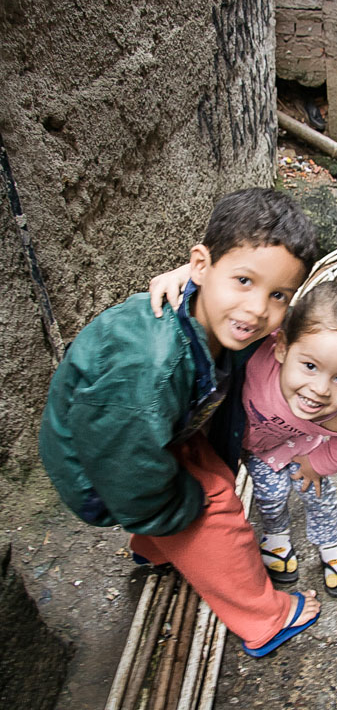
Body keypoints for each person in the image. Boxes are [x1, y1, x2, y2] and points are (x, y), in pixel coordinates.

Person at [39, 188, 322, 658]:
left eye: (277, 295)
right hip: (99, 473)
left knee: (198, 480)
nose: (256, 309)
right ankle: (264, 618)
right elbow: (129, 474)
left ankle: (155, 546)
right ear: (200, 265)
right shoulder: (151, 367)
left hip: (140, 440)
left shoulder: (212, 313)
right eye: (244, 281)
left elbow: (283, 323)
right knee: (214, 504)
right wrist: (183, 508)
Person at [243, 281, 337, 598]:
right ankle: (276, 535)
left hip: (302, 447)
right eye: (309, 366)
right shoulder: (257, 356)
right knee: (270, 495)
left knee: (317, 494)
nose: (320, 389)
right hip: (257, 449)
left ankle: (329, 541)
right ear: (281, 347)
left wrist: (318, 463)